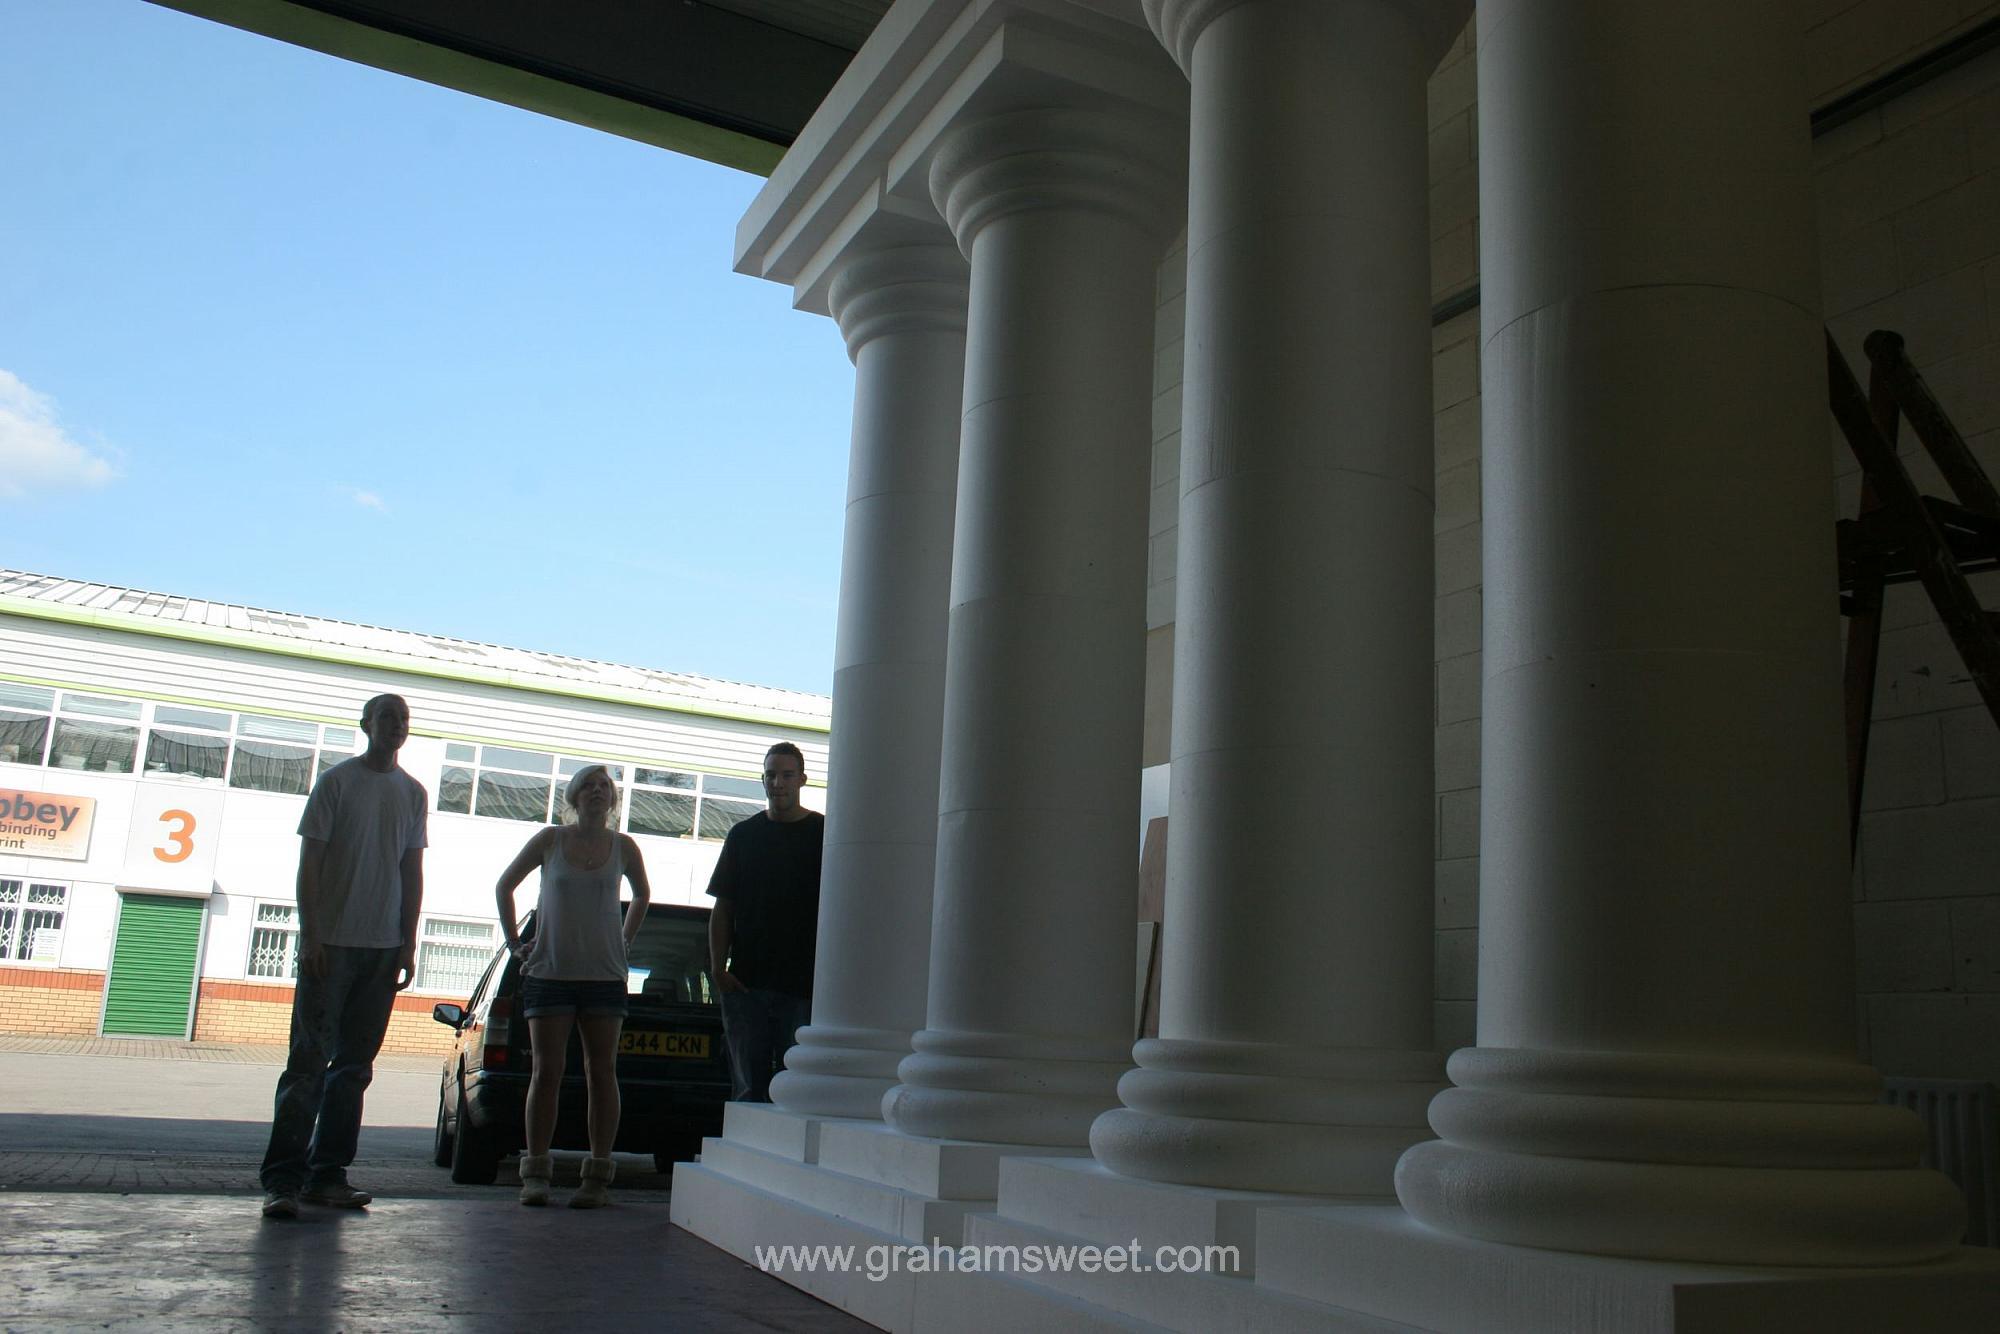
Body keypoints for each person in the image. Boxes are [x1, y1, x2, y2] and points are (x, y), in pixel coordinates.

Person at [260, 693, 428, 1219]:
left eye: (403, 719)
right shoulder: (336, 783)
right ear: (366, 725)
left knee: (354, 1067)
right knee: (307, 1064)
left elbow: (411, 870)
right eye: (387, 717)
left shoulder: (413, 794)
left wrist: (407, 941)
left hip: (381, 953)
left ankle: (328, 1176)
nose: (396, 726)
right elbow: (310, 862)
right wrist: (311, 936)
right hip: (329, 947)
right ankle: (283, 1181)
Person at [495, 764, 651, 1207]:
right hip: (549, 973)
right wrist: (515, 944)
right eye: (589, 786)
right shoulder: (550, 841)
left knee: (601, 1073)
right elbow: (505, 886)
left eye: (605, 786)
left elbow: (642, 893)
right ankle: (536, 1174)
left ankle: (596, 1179)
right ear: (575, 796)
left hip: (604, 976)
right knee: (547, 1072)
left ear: (613, 799)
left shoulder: (624, 846)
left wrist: (625, 938)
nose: (598, 791)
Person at [706, 741, 823, 1103]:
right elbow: (723, 906)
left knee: (800, 1090)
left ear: (802, 779)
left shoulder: (824, 834)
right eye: (771, 775)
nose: (778, 783)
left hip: (805, 987)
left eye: (787, 775)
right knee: (747, 1089)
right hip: (746, 984)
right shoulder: (743, 835)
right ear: (763, 780)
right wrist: (717, 969)